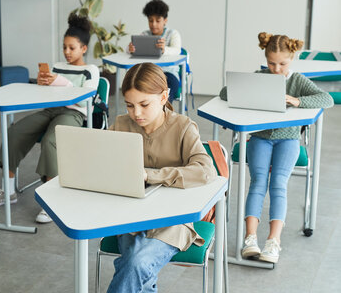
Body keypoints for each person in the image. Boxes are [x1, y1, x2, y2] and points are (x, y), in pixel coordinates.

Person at [220, 33, 333, 263]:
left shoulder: (297, 80)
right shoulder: (260, 76)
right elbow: (225, 93)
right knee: (258, 182)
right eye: (271, 63)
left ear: (291, 59)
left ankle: (273, 242)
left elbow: (327, 99)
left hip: (288, 140)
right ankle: (249, 238)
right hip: (260, 138)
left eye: (282, 64)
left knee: (278, 184)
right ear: (265, 58)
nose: (276, 69)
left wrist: (298, 101)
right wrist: (245, 91)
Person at [107, 63, 215, 292]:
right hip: (130, 217)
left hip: (173, 219)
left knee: (136, 263)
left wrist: (152, 175)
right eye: (129, 105)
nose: (136, 113)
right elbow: (101, 162)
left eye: (144, 105)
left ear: (164, 96)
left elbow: (205, 170)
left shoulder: (183, 127)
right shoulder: (120, 125)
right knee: (137, 267)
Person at [0, 13, 99, 223]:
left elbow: (84, 100)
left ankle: (51, 202)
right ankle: (7, 192)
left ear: (84, 48)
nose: (67, 52)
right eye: (64, 47)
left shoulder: (90, 70)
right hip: (50, 110)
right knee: (13, 133)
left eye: (72, 47)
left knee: (51, 141)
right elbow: (47, 95)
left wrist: (61, 82)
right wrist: (43, 84)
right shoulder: (57, 66)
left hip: (73, 114)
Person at [127, 0, 182, 103]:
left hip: (168, 74)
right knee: (137, 88)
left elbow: (177, 50)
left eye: (158, 20)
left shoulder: (173, 34)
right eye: (150, 20)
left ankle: (163, 115)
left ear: (165, 20)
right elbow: (130, 48)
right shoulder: (145, 34)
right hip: (149, 74)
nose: (154, 24)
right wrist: (130, 49)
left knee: (163, 97)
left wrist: (165, 49)